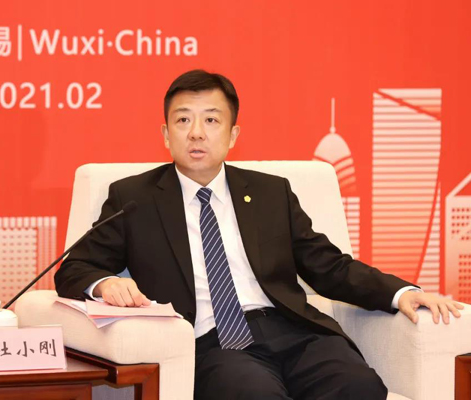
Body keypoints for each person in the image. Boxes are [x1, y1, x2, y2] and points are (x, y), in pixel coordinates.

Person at [55, 69, 464, 399]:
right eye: (183, 120)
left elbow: (329, 266)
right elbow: (74, 268)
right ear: (165, 134)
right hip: (212, 343)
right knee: (253, 393)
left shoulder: (271, 192)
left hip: (293, 331)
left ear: (232, 134)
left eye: (211, 120)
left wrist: (399, 293)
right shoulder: (134, 198)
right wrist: (104, 283)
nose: (196, 132)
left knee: (359, 386)